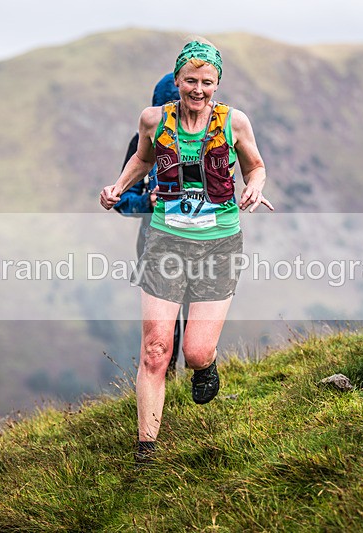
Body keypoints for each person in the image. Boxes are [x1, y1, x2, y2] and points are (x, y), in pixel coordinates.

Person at [99, 39, 273, 462]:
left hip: (217, 243)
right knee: (156, 348)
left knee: (195, 348)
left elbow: (255, 166)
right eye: (189, 81)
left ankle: (204, 365)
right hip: (164, 242)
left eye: (206, 82)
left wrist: (254, 186)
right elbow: (140, 161)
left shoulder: (235, 123)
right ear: (176, 82)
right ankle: (146, 449)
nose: (197, 89)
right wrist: (119, 188)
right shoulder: (152, 121)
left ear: (217, 84)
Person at [114, 73, 185, 378]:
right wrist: (147, 203)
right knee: (162, 329)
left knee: (198, 323)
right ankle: (165, 384)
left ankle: (201, 376)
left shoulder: (210, 139)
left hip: (203, 241)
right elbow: (122, 198)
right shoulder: (142, 141)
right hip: (155, 245)